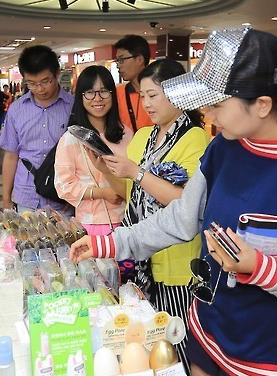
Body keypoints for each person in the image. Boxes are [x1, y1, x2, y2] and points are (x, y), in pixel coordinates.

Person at [70, 28, 277, 376]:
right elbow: (182, 218)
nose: (208, 114)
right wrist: (110, 243)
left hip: (275, 352)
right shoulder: (223, 149)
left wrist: (260, 266)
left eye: (217, 104)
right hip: (213, 330)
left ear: (262, 105)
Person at [94, 58, 210, 374]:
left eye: (153, 95)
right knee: (149, 342)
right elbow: (127, 190)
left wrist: (137, 171)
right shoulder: (144, 136)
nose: (146, 103)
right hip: (142, 257)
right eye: (142, 96)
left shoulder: (194, 138)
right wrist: (108, 170)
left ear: (177, 95)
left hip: (176, 260)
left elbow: (188, 202)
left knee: (177, 344)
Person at [54, 65, 131, 235]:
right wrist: (102, 193)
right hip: (92, 224)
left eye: (104, 91)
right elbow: (63, 186)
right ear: (80, 96)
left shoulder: (126, 133)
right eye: (90, 92)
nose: (97, 98)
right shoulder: (72, 138)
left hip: (129, 222)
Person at [0, 45, 74, 214]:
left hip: (64, 197)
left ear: (57, 74)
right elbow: (11, 156)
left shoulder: (73, 107)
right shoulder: (17, 109)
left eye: (46, 81)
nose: (40, 89)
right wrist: (6, 199)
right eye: (32, 83)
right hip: (26, 195)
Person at [114, 34, 153, 133]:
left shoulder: (162, 90)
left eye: (122, 60)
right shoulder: (117, 93)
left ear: (139, 59)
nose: (118, 65)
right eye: (117, 60)